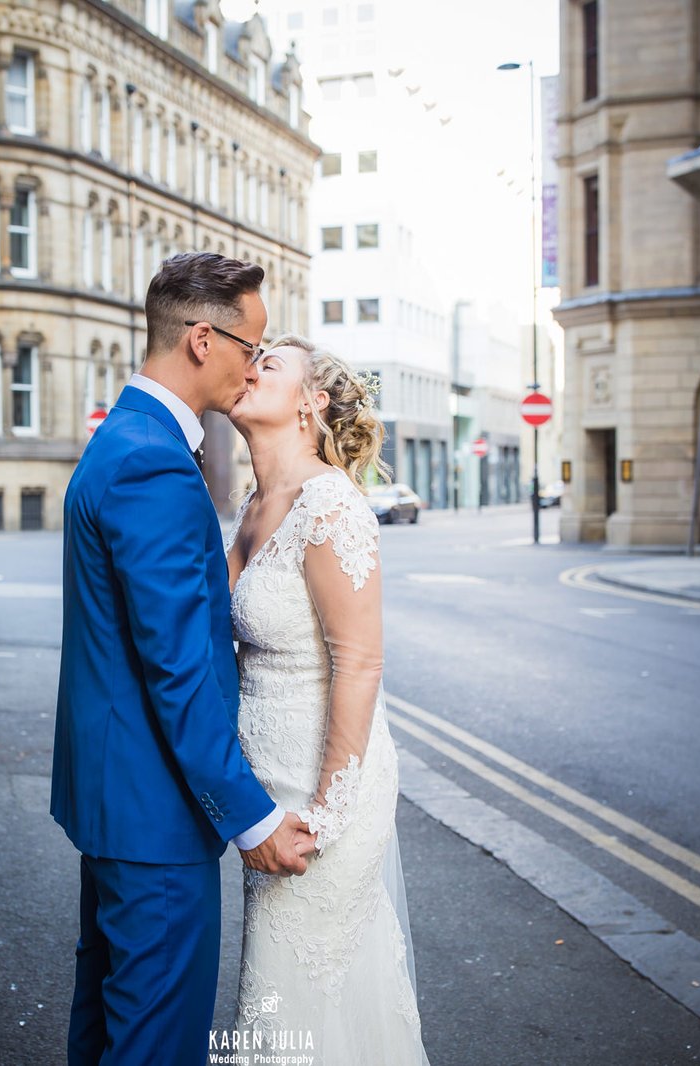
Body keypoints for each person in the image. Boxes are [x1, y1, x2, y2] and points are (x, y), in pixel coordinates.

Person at [51, 252, 316, 1066]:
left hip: (117, 798)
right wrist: (253, 818)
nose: (254, 365)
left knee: (108, 1021)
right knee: (154, 1044)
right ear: (204, 339)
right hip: (157, 812)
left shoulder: (127, 440)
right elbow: (178, 669)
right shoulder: (151, 463)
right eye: (250, 346)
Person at [224, 335, 429, 1063]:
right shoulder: (254, 502)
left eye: (269, 364)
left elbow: (360, 661)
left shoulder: (330, 506)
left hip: (321, 796)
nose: (247, 370)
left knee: (291, 999)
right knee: (294, 999)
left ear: (312, 402)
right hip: (267, 788)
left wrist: (329, 810)